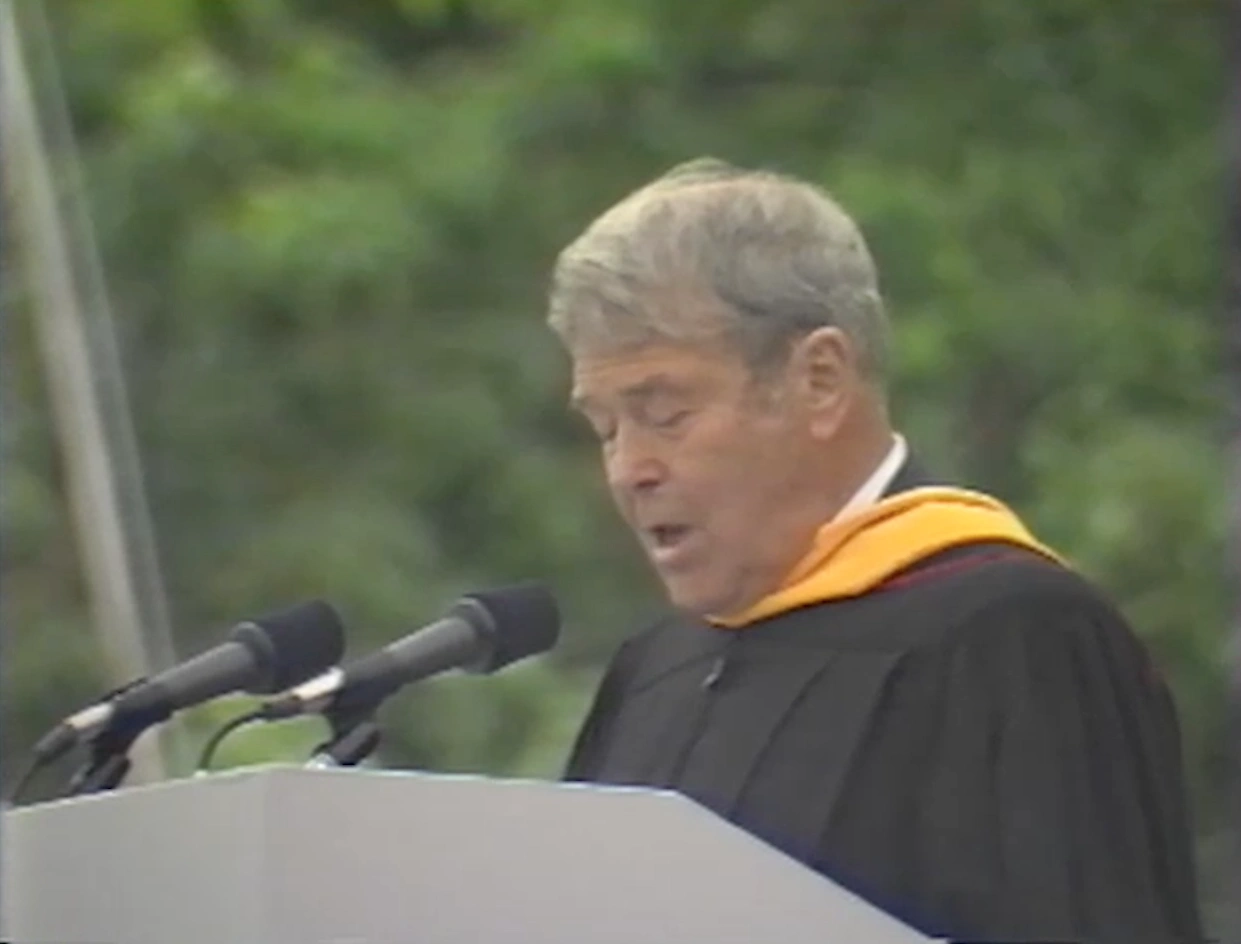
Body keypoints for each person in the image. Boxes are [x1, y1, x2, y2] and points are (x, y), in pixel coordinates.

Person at [545, 157, 1204, 944]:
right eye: (606, 427)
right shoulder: (657, 670)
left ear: (819, 380)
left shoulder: (1014, 639)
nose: (628, 469)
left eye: (665, 413)